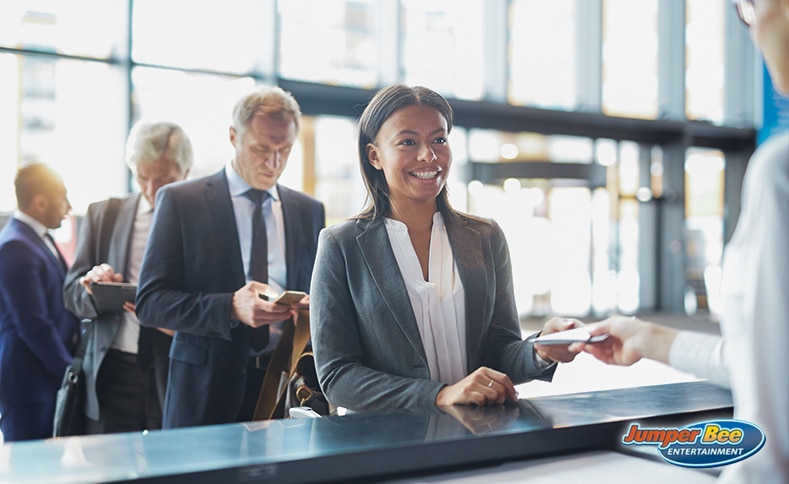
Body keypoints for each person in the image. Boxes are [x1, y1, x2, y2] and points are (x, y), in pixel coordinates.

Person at [582, 1, 789, 482]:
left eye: (749, 8)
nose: (753, 28)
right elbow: (772, 363)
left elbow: (769, 453)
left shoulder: (779, 171)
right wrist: (648, 338)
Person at [310, 85, 582, 412]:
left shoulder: (485, 236)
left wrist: (541, 349)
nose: (429, 155)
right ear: (374, 156)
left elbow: (499, 352)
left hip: (475, 430)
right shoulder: (341, 246)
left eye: (439, 140)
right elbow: (337, 377)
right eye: (408, 142)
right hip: (383, 440)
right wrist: (439, 395)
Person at [135, 85, 326, 428]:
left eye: (284, 150)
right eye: (261, 149)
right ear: (233, 136)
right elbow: (150, 303)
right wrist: (230, 307)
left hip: (284, 393)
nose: (274, 163)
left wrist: (313, 310)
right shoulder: (181, 201)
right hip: (203, 395)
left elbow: (316, 295)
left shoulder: (308, 211)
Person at [62, 121, 193, 434]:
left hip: (176, 365)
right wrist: (92, 288)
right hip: (113, 369)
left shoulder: (204, 221)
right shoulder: (104, 214)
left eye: (162, 179)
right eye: (142, 177)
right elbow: (71, 294)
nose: (150, 189)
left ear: (185, 173)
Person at [0, 162, 80, 441]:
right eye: (63, 199)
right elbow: (33, 324)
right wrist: (69, 371)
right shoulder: (15, 246)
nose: (68, 207)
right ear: (41, 202)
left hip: (41, 379)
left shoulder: (37, 238)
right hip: (27, 383)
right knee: (28, 471)